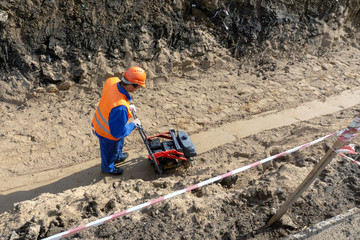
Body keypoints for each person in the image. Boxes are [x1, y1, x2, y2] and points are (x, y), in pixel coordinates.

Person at [92, 66, 146, 175]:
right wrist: (134, 124)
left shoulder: (112, 81)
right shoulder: (120, 108)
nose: (138, 88)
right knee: (110, 153)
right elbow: (117, 133)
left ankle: (118, 157)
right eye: (139, 86)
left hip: (101, 120)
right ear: (133, 85)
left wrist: (128, 106)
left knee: (119, 144)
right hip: (107, 134)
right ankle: (108, 168)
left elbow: (112, 98)